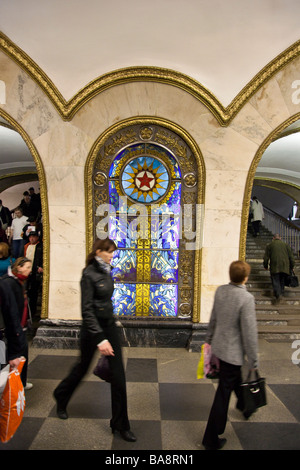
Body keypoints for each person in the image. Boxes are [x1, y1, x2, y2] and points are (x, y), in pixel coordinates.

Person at [53, 238, 137, 442]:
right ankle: (61, 395)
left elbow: (105, 301)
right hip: (92, 330)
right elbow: (87, 310)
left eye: (113, 253)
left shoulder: (107, 270)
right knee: (82, 367)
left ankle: (120, 424)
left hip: (109, 326)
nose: (112, 256)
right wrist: (100, 339)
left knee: (118, 376)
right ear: (98, 251)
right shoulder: (88, 274)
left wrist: (110, 327)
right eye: (109, 252)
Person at [201, 260, 258, 450]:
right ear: (245, 277)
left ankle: (246, 407)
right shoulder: (246, 298)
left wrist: (208, 340)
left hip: (219, 348)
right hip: (233, 355)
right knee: (223, 395)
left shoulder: (221, 291)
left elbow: (213, 318)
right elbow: (249, 333)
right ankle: (210, 438)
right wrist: (254, 359)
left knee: (234, 381)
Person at [0, 257, 33, 389]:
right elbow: (11, 312)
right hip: (13, 328)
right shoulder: (9, 284)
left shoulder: (19, 282)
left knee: (21, 354)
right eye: (27, 267)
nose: (29, 271)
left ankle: (20, 383)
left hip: (18, 327)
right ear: (18, 267)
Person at [263, 233, 295, 303]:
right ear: (280, 238)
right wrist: (292, 266)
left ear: (273, 238)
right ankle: (281, 294)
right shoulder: (286, 245)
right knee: (282, 281)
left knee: (276, 280)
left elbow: (266, 258)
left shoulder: (270, 245)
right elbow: (291, 257)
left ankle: (278, 295)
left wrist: (265, 265)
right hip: (285, 267)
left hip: (275, 266)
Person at [24, 231, 43, 318]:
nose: (32, 238)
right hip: (26, 272)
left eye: (34, 237)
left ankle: (32, 311)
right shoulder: (26, 246)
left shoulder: (40, 246)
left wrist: (41, 266)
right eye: (30, 237)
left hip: (35, 272)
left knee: (33, 293)